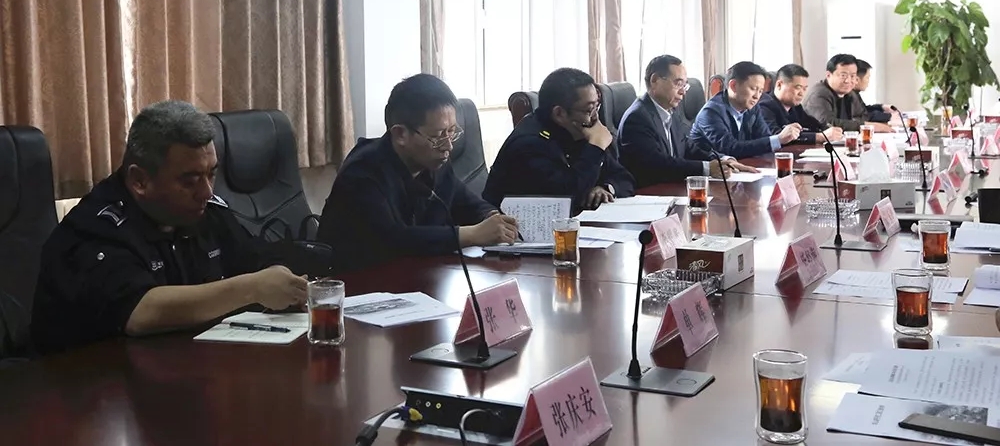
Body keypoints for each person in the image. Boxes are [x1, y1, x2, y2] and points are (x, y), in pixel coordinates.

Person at [31, 101, 327, 354]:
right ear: (139, 181)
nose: (206, 192)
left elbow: (253, 259)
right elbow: (140, 312)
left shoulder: (204, 212)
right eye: (190, 180)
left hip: (181, 369)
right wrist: (252, 288)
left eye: (211, 174)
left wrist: (282, 281)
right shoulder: (94, 229)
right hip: (83, 387)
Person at [317, 74, 517, 270]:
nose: (448, 146)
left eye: (451, 132)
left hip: (419, 276)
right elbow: (394, 240)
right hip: (358, 281)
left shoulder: (435, 163)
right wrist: (472, 234)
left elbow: (465, 201)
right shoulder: (361, 174)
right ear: (400, 134)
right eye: (438, 136)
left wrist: (492, 217)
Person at [483, 67, 635, 213]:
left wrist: (605, 188)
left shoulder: (580, 130)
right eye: (589, 110)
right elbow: (565, 198)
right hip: (517, 228)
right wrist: (595, 148)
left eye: (597, 106)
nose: (596, 117)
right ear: (559, 114)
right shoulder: (529, 144)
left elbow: (624, 179)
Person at [617, 55, 757, 187]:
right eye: (678, 84)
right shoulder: (637, 118)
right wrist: (707, 168)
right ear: (655, 80)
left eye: (685, 86)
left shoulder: (670, 111)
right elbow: (657, 164)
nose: (683, 92)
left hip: (671, 188)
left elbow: (688, 148)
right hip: (649, 194)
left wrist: (723, 160)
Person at [689, 61, 802, 159]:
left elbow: (764, 139)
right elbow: (730, 148)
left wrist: (779, 139)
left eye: (760, 91)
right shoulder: (711, 112)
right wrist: (778, 139)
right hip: (710, 172)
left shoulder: (752, 108)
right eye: (753, 89)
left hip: (742, 168)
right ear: (733, 86)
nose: (757, 96)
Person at [802, 54, 893, 133]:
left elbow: (862, 115)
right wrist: (866, 126)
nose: (848, 81)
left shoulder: (849, 93)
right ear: (828, 75)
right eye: (843, 76)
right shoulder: (819, 94)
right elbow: (827, 123)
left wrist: (887, 119)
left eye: (852, 76)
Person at [758, 64, 844, 144]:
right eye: (798, 87)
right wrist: (820, 137)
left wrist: (829, 130)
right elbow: (778, 136)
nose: (801, 93)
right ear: (779, 85)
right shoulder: (764, 106)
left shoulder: (796, 107)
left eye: (804, 88)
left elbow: (814, 125)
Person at [854, 59, 894, 124]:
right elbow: (863, 116)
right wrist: (889, 116)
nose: (868, 81)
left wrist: (881, 107)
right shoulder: (849, 95)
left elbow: (864, 110)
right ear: (857, 79)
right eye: (867, 78)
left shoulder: (855, 93)